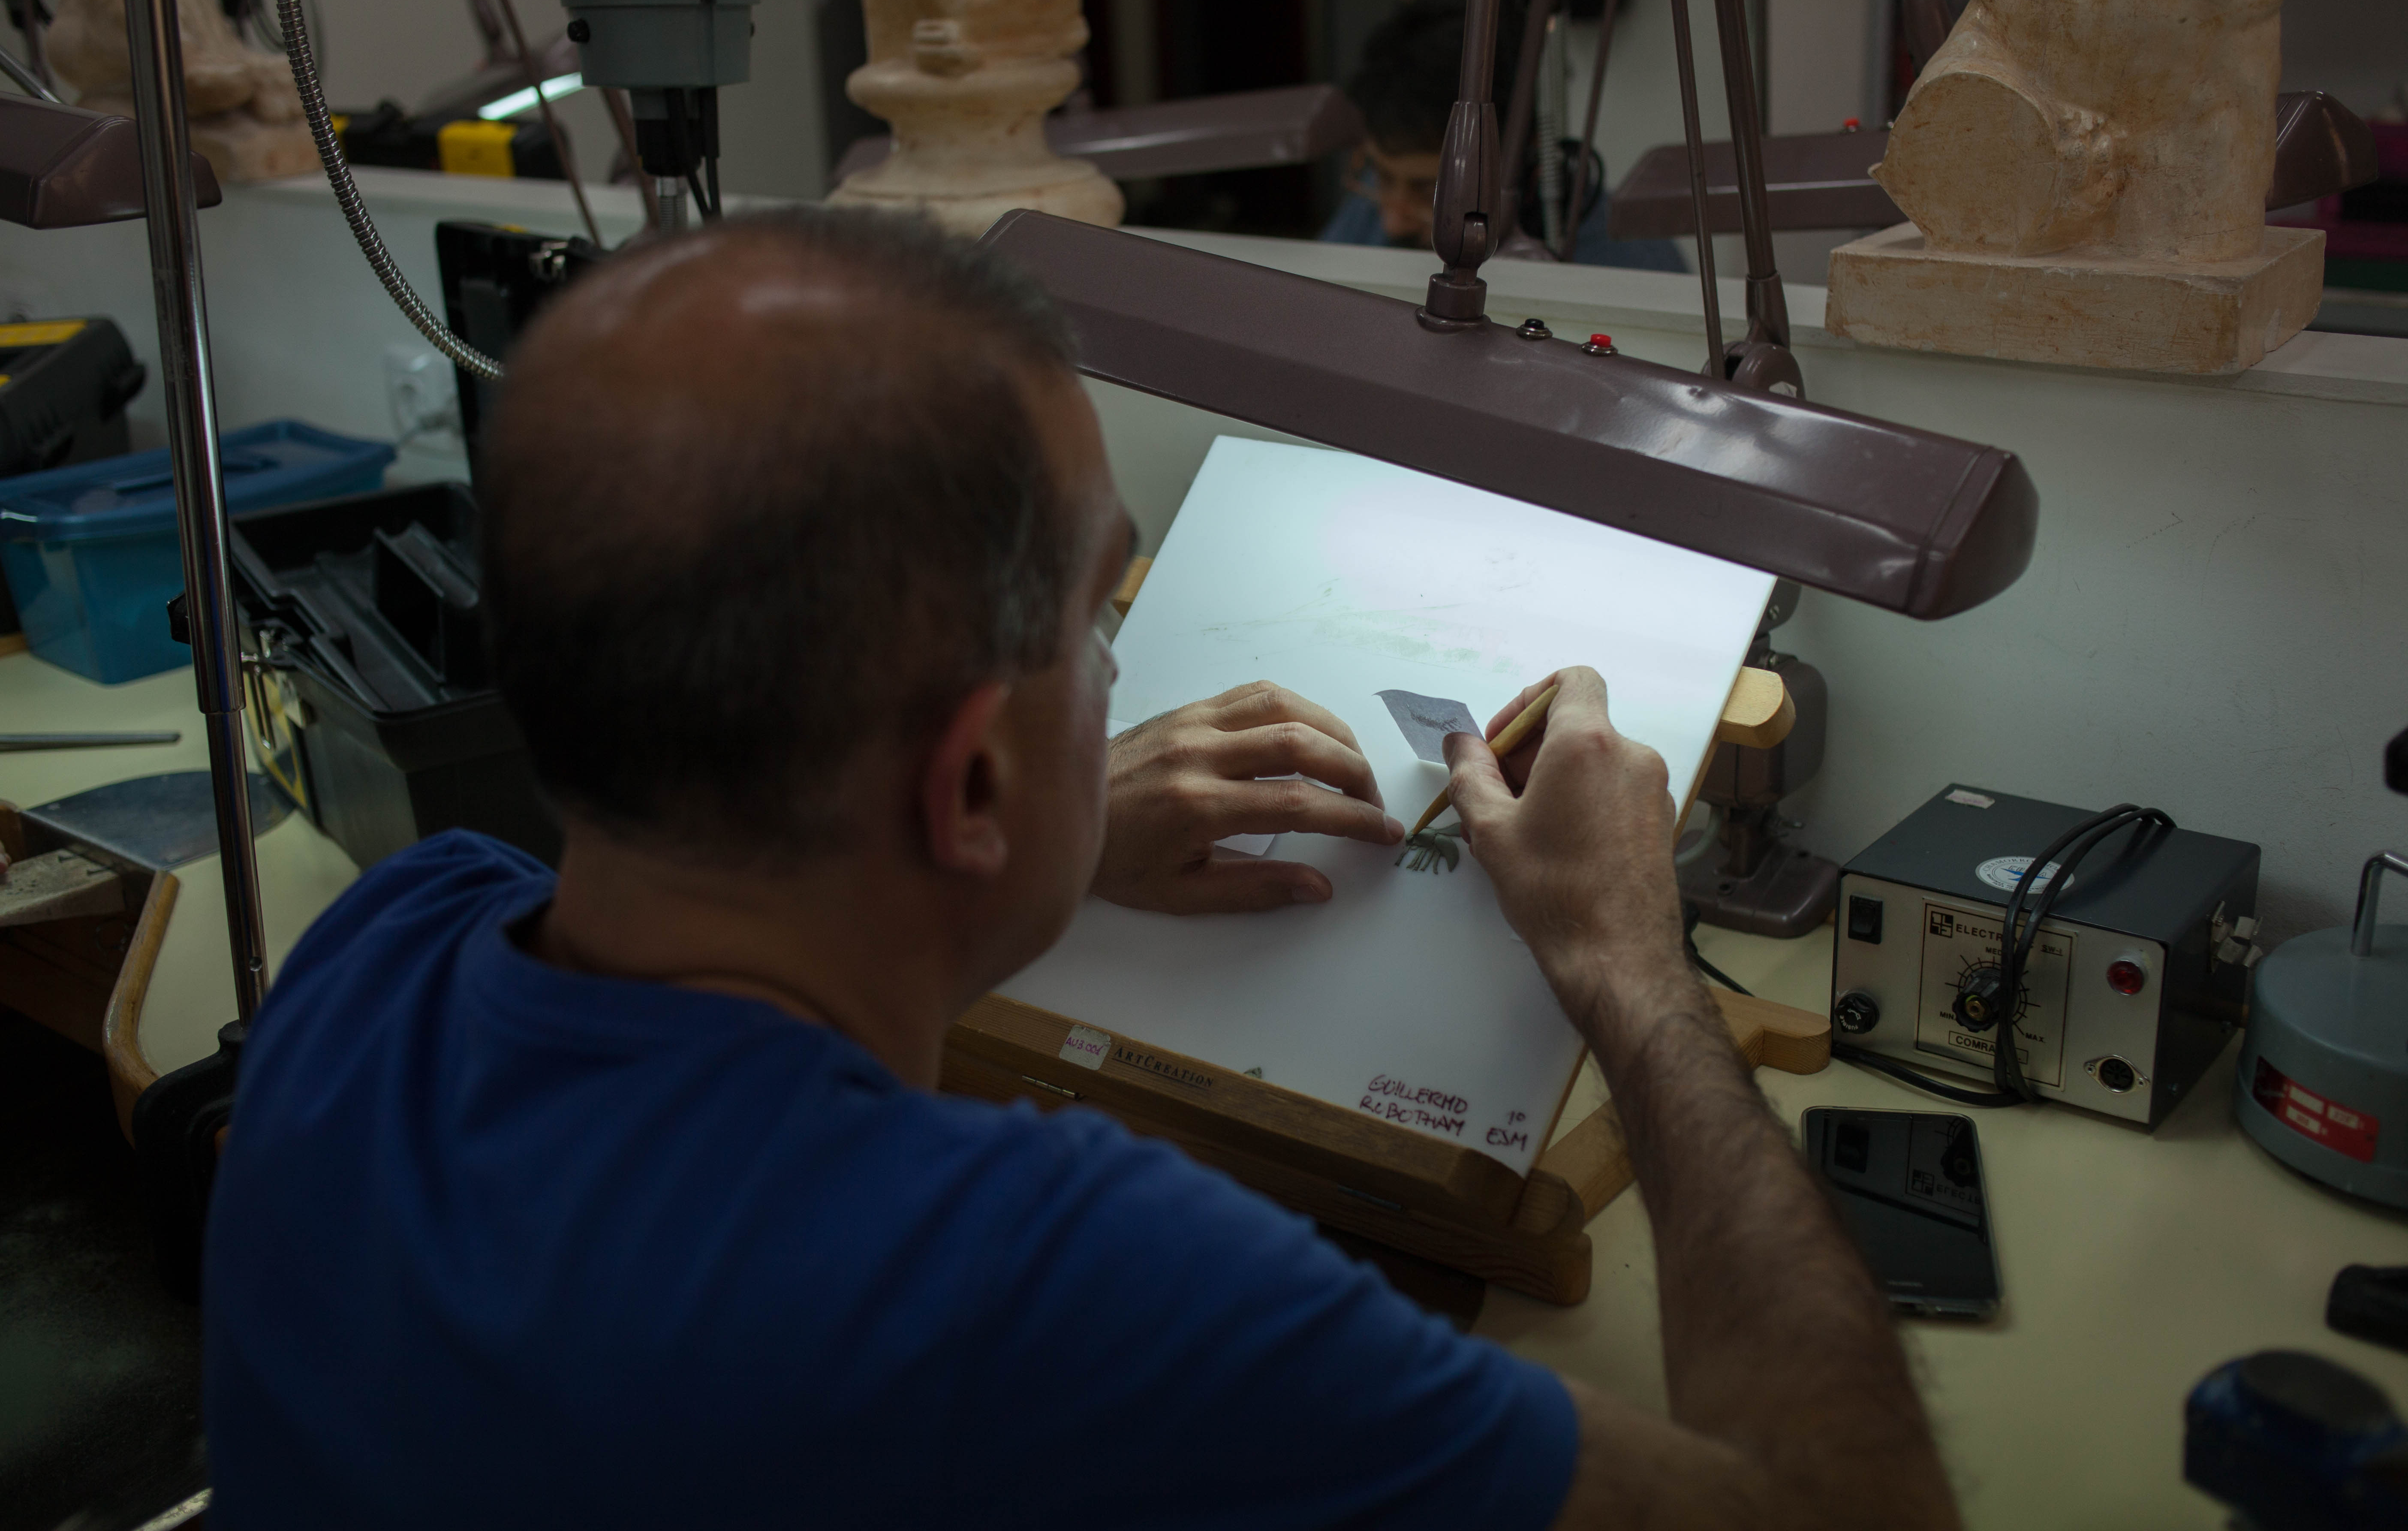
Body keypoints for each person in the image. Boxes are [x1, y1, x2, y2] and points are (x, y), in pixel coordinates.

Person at [202, 208, 1956, 1529]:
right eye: (1096, 617)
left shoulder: (373, 956)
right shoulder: (1068, 1288)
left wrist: (1029, 835)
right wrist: (1635, 970)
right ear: (967, 780)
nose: (1119, 666)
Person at [1321, 0, 1684, 272]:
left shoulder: (1629, 263)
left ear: (1527, 163)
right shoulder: (1377, 205)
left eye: (1432, 190)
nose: (1392, 224)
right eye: (1382, 176)